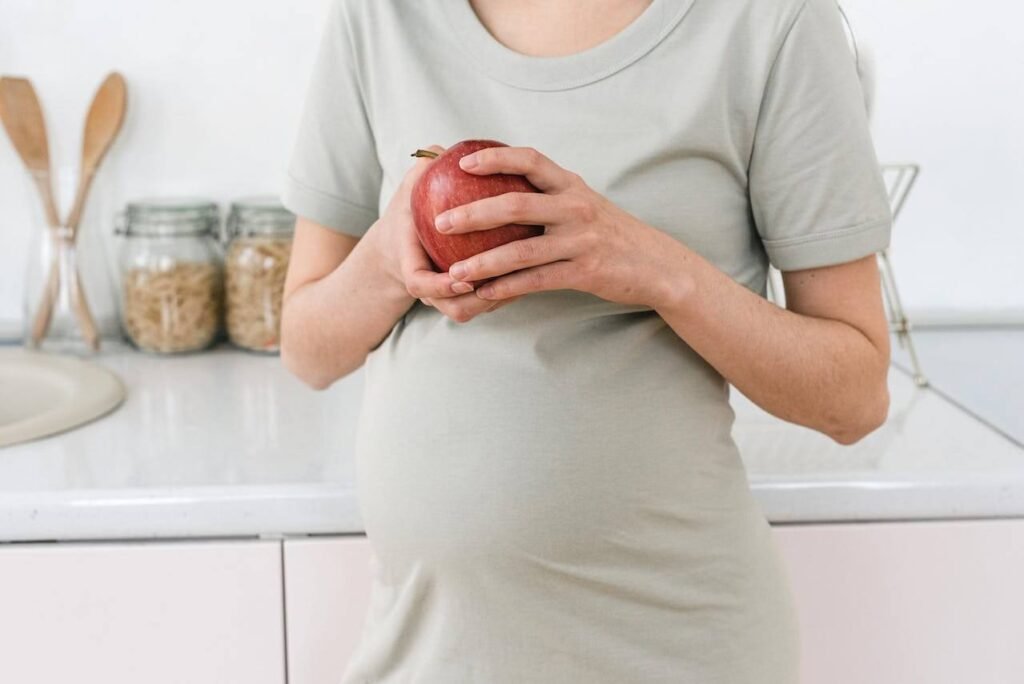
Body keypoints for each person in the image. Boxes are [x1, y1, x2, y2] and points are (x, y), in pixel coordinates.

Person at [279, 0, 892, 681]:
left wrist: (658, 269)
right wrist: (390, 259)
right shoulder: (380, 17)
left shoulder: (771, 22)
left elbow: (855, 398)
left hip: (674, 650)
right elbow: (307, 351)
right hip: (426, 653)